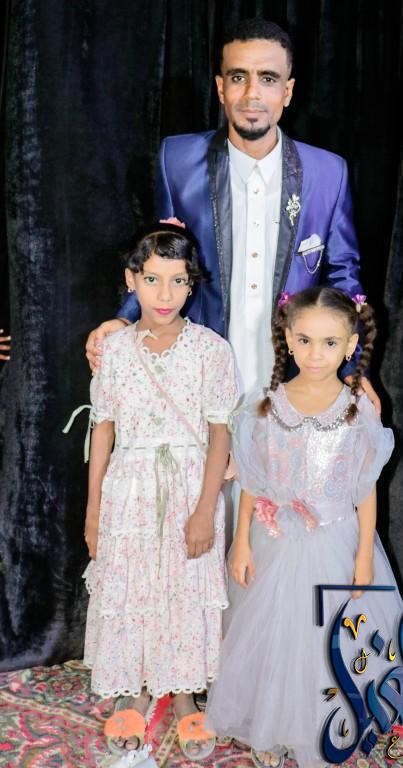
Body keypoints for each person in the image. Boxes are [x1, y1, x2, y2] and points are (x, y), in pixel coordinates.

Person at [85, 18, 380, 410]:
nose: (252, 93)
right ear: (221, 88)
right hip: (197, 381)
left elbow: (342, 277)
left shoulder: (328, 173)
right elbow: (161, 257)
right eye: (238, 77)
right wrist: (124, 321)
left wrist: (354, 371)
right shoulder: (178, 160)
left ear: (288, 91)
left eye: (268, 79)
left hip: (295, 381)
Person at [205, 287, 403, 768]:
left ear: (351, 344)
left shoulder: (358, 408)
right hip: (273, 543)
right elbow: (252, 481)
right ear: (288, 340)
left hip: (336, 540)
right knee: (274, 635)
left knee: (327, 636)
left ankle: (326, 723)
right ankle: (270, 726)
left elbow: (365, 489)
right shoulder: (265, 405)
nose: (316, 354)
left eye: (330, 343)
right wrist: (240, 542)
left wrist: (363, 555)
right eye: (306, 340)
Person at [82, 223, 239, 750]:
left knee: (185, 590)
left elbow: (220, 433)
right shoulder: (114, 351)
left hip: (191, 488)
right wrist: (93, 510)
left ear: (192, 284)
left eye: (177, 280)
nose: (164, 294)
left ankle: (187, 694)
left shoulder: (212, 350)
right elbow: (103, 429)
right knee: (133, 587)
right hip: (128, 491)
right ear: (132, 280)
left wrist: (205, 509)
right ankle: (135, 692)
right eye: (151, 279)